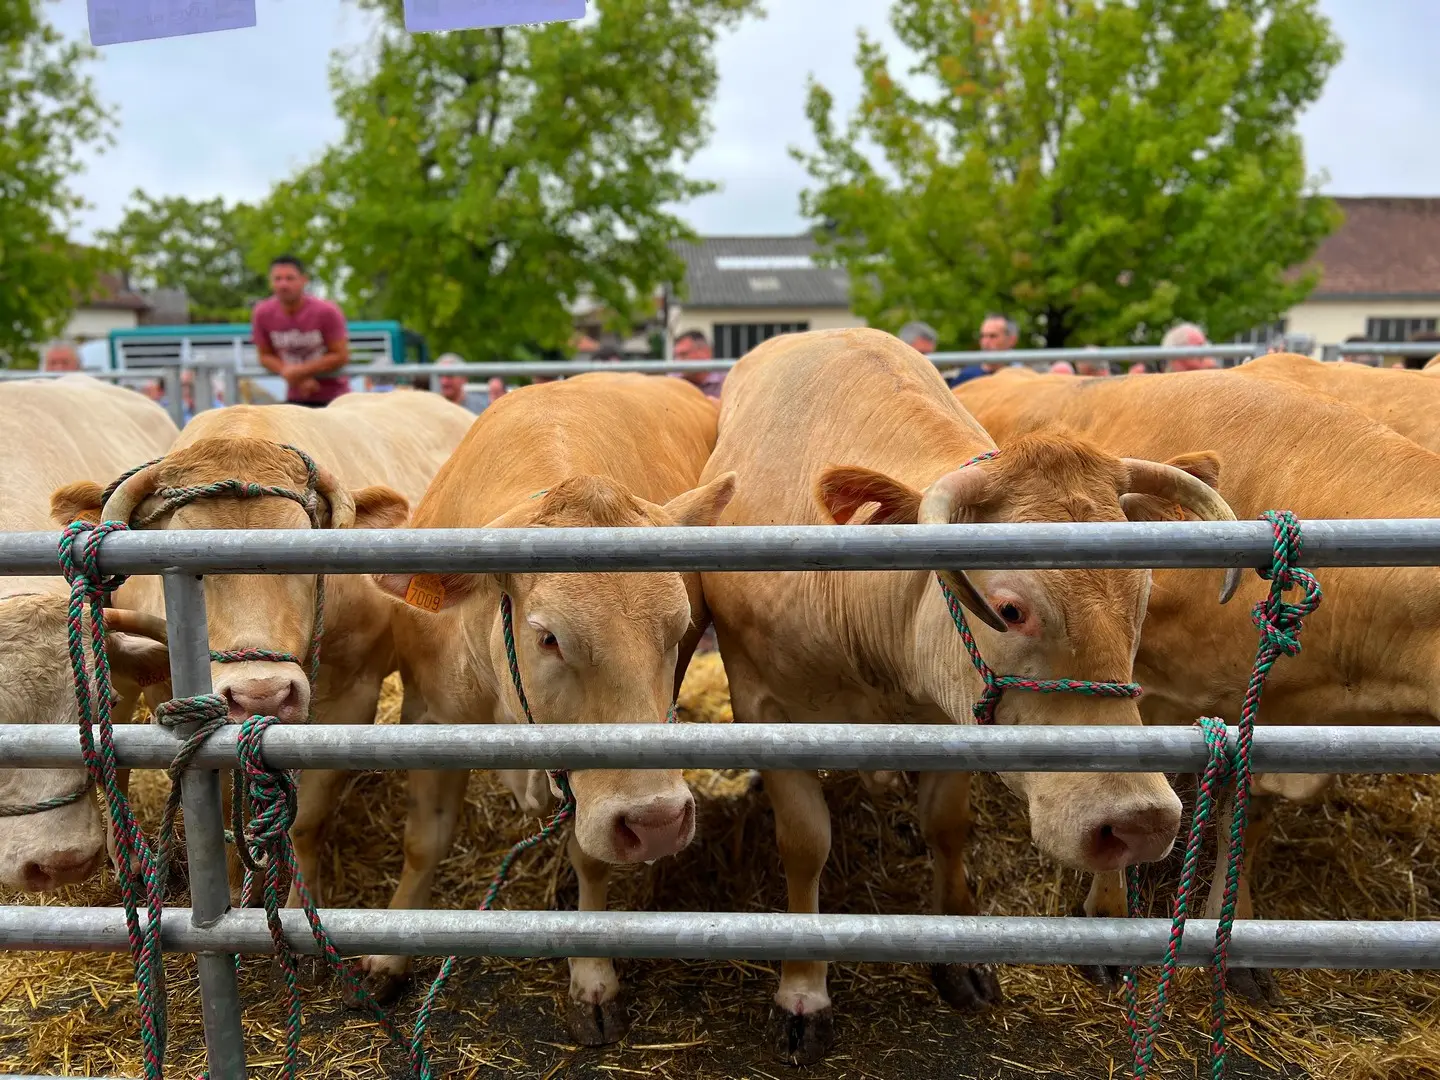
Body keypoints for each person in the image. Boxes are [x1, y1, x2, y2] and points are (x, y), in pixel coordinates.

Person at [251, 255, 351, 407]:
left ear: (304, 280)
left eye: (290, 278)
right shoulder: (262, 313)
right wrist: (292, 375)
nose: (283, 284)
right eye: (277, 279)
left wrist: (299, 373)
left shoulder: (327, 311)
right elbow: (264, 355)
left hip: (335, 398)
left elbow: (341, 354)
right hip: (295, 399)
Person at [948, 313, 1019, 387]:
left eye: (993, 336)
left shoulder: (1023, 377)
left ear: (1012, 340)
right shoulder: (965, 378)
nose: (985, 342)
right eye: (982, 336)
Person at [672, 330, 724, 398]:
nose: (677, 361)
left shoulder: (727, 382)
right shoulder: (673, 382)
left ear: (705, 352)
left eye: (684, 354)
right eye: (676, 356)